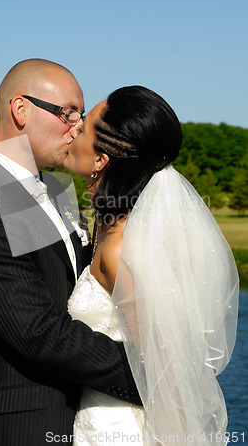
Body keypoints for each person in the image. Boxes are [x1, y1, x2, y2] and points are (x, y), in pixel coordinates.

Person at [0, 60, 141, 446]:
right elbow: (39, 334)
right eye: (67, 113)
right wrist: (149, 377)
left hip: (83, 418)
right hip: (16, 429)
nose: (79, 127)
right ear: (21, 110)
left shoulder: (62, 192)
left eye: (80, 116)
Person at [64, 85, 239, 446]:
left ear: (101, 160)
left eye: (83, 128)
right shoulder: (106, 226)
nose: (73, 128)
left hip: (119, 432)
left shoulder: (119, 250)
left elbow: (169, 373)